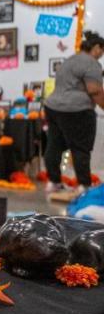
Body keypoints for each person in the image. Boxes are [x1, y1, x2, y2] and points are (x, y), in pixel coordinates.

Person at [43, 30, 104, 194]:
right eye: (102, 51)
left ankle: (54, 182)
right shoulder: (92, 63)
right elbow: (95, 90)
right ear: (97, 47)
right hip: (76, 110)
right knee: (81, 148)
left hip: (53, 108)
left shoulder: (69, 61)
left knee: (54, 145)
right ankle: (84, 186)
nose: (101, 55)